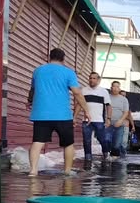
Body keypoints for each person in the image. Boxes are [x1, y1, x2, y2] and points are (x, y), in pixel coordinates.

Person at [27, 48, 92, 176]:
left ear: (49, 57)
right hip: (62, 115)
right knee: (68, 144)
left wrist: (29, 101)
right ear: (63, 59)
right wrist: (86, 111)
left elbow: (32, 89)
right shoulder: (68, 72)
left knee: (37, 142)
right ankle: (67, 171)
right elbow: (77, 93)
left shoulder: (38, 71)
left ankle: (33, 171)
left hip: (41, 114)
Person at [80, 71, 111, 163]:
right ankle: (88, 158)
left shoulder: (103, 91)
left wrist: (108, 119)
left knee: (102, 139)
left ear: (98, 80)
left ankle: (106, 154)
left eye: (94, 78)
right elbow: (79, 104)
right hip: (86, 120)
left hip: (99, 120)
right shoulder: (83, 90)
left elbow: (108, 106)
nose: (91, 80)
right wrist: (74, 117)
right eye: (90, 78)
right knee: (86, 140)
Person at [108, 81, 134, 158]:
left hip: (121, 124)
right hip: (108, 123)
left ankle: (119, 157)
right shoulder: (107, 97)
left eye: (117, 87)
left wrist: (132, 125)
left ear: (119, 88)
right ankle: (109, 154)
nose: (115, 88)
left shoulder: (124, 100)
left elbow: (128, 113)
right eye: (114, 86)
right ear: (111, 88)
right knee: (107, 140)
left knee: (120, 143)